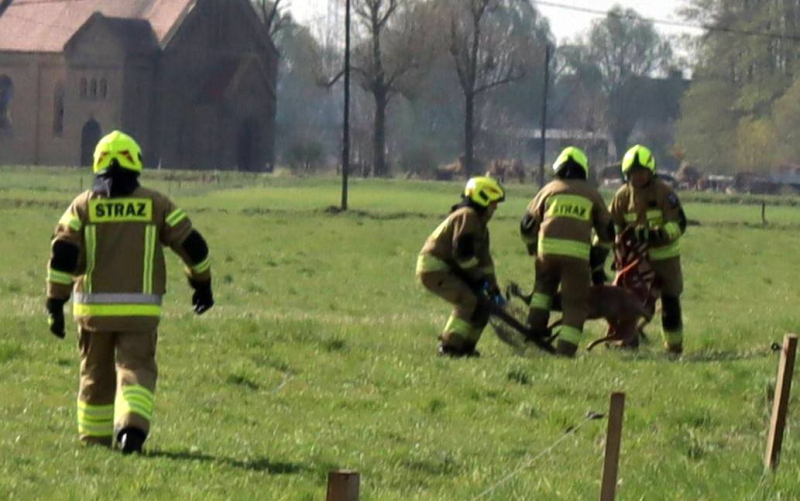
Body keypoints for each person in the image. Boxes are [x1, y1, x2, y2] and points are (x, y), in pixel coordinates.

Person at [45, 130, 214, 453]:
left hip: (93, 314)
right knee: (136, 371)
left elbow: (62, 254)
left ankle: (94, 443)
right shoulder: (156, 204)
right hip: (140, 313)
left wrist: (55, 302)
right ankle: (131, 432)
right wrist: (201, 284)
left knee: (94, 376)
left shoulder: (82, 206)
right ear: (136, 162)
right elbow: (193, 245)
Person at [520, 147, 614, 356]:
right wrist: (598, 258)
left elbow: (526, 225)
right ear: (583, 170)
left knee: (542, 295)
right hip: (577, 258)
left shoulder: (548, 190)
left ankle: (534, 333)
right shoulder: (591, 194)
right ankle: (565, 351)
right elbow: (608, 232)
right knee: (574, 304)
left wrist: (532, 247)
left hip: (546, 255)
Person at [609, 145, 687, 354]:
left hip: (665, 259)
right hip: (634, 261)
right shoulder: (622, 197)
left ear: (651, 171)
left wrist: (656, 235)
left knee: (670, 302)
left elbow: (679, 224)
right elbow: (611, 226)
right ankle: (627, 341)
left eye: (642, 172)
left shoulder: (664, 193)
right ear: (627, 175)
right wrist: (604, 247)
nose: (638, 177)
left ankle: (674, 348)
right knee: (628, 301)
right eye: (634, 173)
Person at [416, 177, 505, 357]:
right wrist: (479, 281)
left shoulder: (481, 226)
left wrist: (493, 287)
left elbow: (485, 261)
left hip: (452, 269)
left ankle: (466, 347)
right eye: (493, 203)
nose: (495, 208)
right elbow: (463, 255)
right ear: (482, 198)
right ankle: (449, 347)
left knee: (484, 305)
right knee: (468, 300)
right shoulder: (467, 215)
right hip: (435, 268)